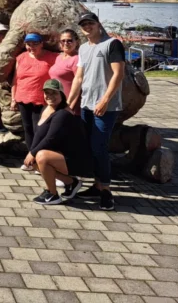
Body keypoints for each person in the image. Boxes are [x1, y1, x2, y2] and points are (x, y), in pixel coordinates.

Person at [67, 12, 125, 211]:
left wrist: (105, 100)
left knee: (100, 147)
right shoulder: (83, 48)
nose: (87, 27)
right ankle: (97, 185)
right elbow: (79, 78)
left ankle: (107, 190)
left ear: (98, 24)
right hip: (86, 105)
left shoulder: (112, 44)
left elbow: (119, 74)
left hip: (105, 107)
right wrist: (69, 102)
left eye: (90, 23)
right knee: (90, 147)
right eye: (83, 24)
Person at [25, 79, 90, 205]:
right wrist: (30, 153)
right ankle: (71, 182)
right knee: (33, 162)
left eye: (54, 93)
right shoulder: (46, 109)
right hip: (61, 154)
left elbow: (50, 138)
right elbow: (39, 135)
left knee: (41, 156)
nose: (50, 96)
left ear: (62, 94)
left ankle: (53, 194)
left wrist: (33, 153)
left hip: (76, 159)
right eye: (47, 93)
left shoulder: (62, 114)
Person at [11, 33, 58, 170]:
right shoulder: (21, 57)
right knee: (28, 129)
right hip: (22, 97)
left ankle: (41, 161)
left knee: (40, 130)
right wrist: (14, 99)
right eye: (28, 44)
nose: (31, 47)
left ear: (42, 43)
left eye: (35, 43)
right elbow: (15, 80)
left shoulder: (51, 57)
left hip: (42, 99)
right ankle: (31, 160)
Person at [49, 28, 80, 102]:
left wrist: (69, 106)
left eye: (69, 40)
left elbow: (79, 86)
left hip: (69, 103)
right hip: (57, 101)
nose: (66, 43)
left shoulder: (77, 59)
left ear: (76, 42)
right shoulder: (59, 57)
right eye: (63, 41)